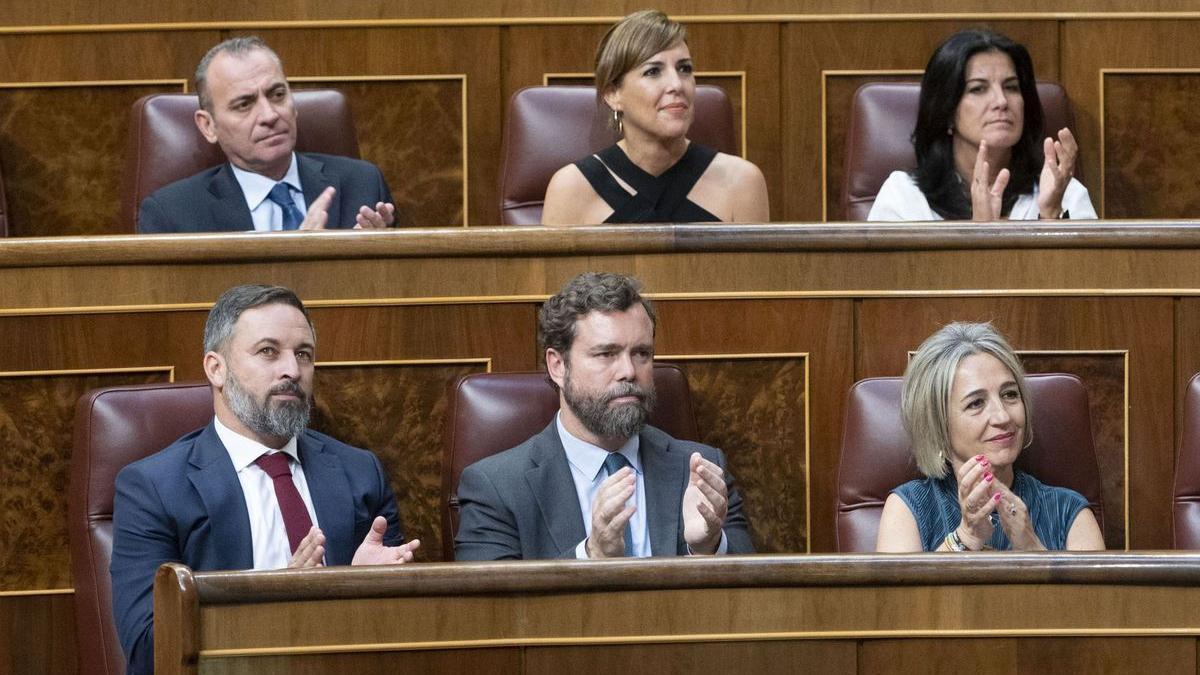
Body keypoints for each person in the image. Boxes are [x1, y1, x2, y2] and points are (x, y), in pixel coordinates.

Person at [110, 284, 419, 674]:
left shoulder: (359, 472)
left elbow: (405, 637)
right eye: (268, 351)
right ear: (216, 368)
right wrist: (275, 604)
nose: (292, 370)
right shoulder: (153, 488)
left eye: (303, 354)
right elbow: (149, 649)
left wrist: (368, 591)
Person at [454, 272, 754, 560]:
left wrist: (707, 548)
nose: (628, 371)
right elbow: (489, 610)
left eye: (641, 353)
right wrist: (590, 555)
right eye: (606, 354)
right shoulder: (496, 487)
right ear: (558, 365)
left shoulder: (701, 470)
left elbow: (753, 599)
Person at [875, 322, 1106, 552]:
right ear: (938, 425)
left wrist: (1031, 546)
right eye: (976, 403)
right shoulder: (908, 509)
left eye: (1010, 394)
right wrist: (966, 536)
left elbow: (1093, 591)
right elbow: (903, 591)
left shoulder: (1070, 513)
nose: (1003, 416)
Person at [138, 36, 398, 233]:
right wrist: (300, 258)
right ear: (208, 126)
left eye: (277, 95)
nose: (269, 115)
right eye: (244, 104)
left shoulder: (363, 185)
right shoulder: (172, 215)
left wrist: (377, 259)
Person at [541, 10, 769, 224]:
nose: (676, 84)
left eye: (684, 69)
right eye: (653, 71)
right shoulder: (570, 188)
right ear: (613, 94)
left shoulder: (742, 182)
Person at [868, 30, 1097, 221]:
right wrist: (979, 237)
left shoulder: (1062, 191)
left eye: (1012, 87)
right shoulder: (903, 197)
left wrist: (1050, 216)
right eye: (978, 89)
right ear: (946, 110)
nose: (1001, 101)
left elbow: (1088, 275)